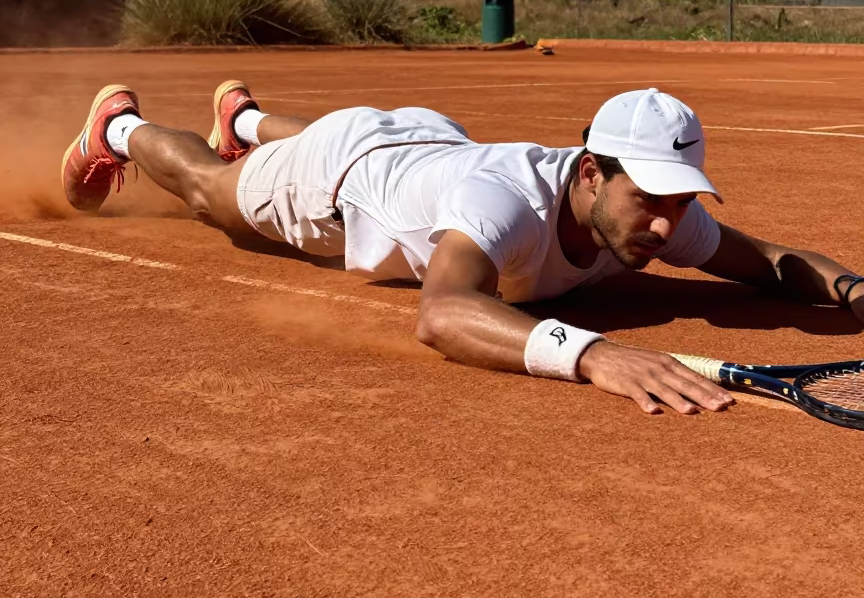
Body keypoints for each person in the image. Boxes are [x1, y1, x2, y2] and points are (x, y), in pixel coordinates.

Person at [62, 82, 864, 416]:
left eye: (680, 199)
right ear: (591, 172)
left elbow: (771, 263)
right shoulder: (502, 206)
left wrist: (855, 291)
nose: (666, 226)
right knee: (214, 199)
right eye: (650, 198)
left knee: (293, 149)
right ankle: (121, 127)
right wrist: (594, 357)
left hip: (427, 140)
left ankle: (243, 121)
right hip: (340, 175)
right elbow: (443, 314)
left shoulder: (655, 214)